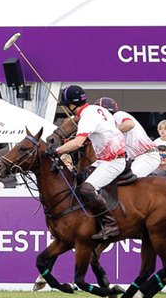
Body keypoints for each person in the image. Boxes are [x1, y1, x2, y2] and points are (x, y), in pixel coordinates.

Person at [52, 85, 126, 240]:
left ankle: (110, 224)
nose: (68, 108)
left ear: (72, 105)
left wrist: (57, 151)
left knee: (87, 189)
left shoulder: (87, 116)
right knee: (79, 178)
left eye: (67, 105)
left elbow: (78, 143)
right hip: (104, 159)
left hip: (113, 161)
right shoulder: (98, 109)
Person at [96, 97, 160, 179]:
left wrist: (111, 133)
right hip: (135, 158)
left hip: (148, 156)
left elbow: (129, 124)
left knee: (127, 180)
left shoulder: (118, 114)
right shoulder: (109, 125)